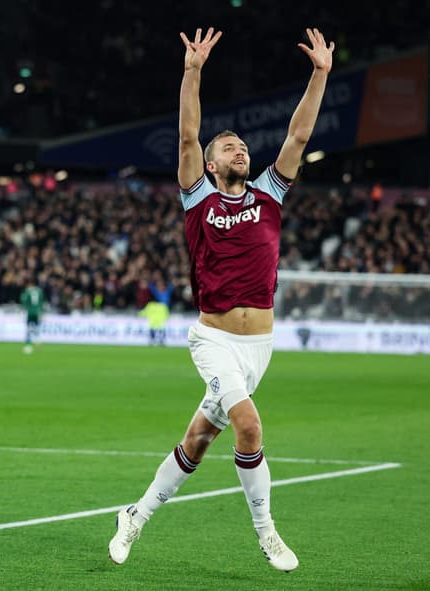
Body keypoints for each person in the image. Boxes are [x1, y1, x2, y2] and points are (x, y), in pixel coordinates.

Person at [109, 27, 334, 572]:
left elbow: (298, 137)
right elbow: (188, 137)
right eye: (229, 147)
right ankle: (268, 533)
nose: (241, 149)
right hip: (212, 339)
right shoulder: (199, 199)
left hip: (259, 347)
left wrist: (321, 74)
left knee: (199, 440)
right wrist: (192, 72)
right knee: (249, 427)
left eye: (244, 147)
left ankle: (134, 515)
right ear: (211, 164)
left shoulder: (270, 193)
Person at [20, 278, 44, 353]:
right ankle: (38, 342)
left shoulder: (28, 291)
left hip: (30, 312)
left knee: (29, 328)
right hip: (38, 312)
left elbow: (23, 300)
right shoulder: (39, 291)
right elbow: (42, 302)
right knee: (36, 328)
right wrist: (41, 312)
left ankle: (28, 345)